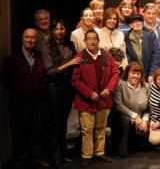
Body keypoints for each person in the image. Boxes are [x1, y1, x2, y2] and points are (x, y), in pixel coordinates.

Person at [71, 29, 120, 166]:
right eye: (89, 39)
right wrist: (89, 93)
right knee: (87, 129)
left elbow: (115, 73)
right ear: (84, 41)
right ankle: (87, 155)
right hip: (86, 100)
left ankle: (99, 152)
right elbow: (75, 80)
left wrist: (109, 89)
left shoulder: (106, 55)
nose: (92, 41)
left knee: (101, 127)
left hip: (103, 98)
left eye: (94, 38)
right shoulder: (80, 57)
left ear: (98, 40)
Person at [1, 29, 49, 168]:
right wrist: (17, 91)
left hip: (37, 102)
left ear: (36, 40)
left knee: (37, 132)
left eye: (33, 38)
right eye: (27, 37)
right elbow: (5, 79)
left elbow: (45, 75)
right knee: (19, 132)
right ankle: (18, 160)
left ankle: (36, 158)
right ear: (22, 39)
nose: (30, 40)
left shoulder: (40, 56)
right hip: (19, 102)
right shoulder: (13, 58)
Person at [42, 19, 81, 165]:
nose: (59, 31)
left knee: (64, 122)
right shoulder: (47, 47)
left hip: (67, 88)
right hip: (54, 87)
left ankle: (64, 153)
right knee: (55, 122)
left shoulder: (69, 45)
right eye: (56, 29)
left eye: (62, 29)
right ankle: (55, 154)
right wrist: (69, 64)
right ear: (52, 31)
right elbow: (50, 72)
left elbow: (79, 61)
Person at [112, 62, 150, 157]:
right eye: (133, 73)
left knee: (147, 143)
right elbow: (118, 105)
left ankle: (134, 143)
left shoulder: (145, 86)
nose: (135, 76)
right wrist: (135, 116)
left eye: (138, 73)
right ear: (127, 73)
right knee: (125, 120)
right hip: (123, 117)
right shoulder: (120, 84)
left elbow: (148, 108)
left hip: (140, 119)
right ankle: (121, 150)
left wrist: (145, 120)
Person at [125, 13, 160, 83]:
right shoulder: (126, 37)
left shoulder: (151, 35)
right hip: (134, 75)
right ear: (130, 25)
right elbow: (127, 56)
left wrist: (152, 73)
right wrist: (133, 73)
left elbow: (156, 55)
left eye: (139, 21)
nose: (137, 23)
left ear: (142, 23)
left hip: (149, 74)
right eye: (134, 22)